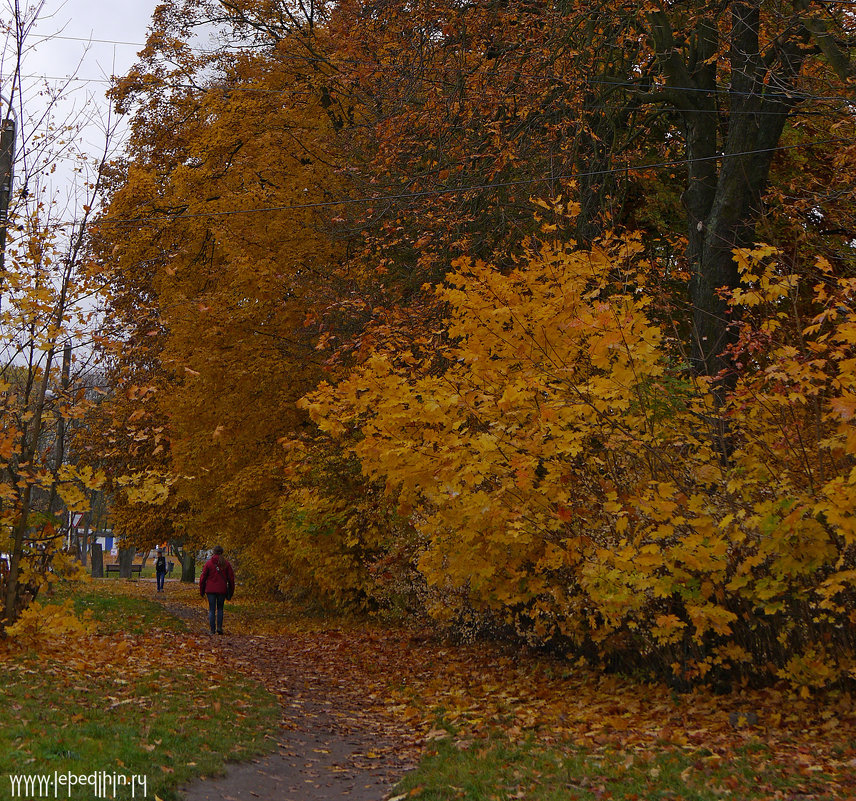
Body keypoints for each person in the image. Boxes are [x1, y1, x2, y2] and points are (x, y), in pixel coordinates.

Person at [199, 545, 235, 635]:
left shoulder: (209, 563)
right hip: (221, 589)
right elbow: (231, 578)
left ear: (213, 552)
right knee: (220, 609)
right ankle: (219, 627)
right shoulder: (226, 563)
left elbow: (203, 578)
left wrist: (202, 590)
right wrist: (231, 591)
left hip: (210, 589)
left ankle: (212, 629)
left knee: (211, 609)